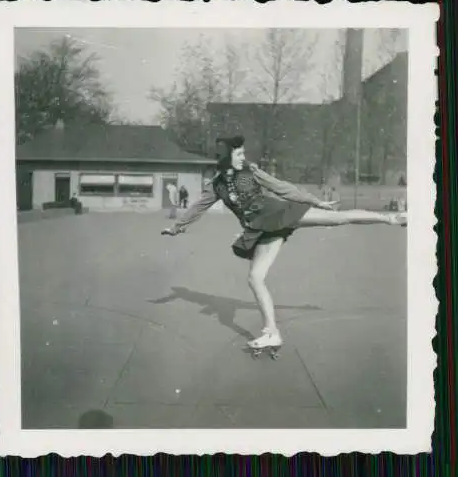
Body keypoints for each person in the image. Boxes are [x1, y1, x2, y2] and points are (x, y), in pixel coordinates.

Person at [162, 136, 407, 351]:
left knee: (338, 218)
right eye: (238, 153)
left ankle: (391, 218)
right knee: (255, 278)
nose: (243, 156)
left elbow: (283, 189)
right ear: (226, 156)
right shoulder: (216, 186)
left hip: (281, 214)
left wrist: (315, 201)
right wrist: (177, 227)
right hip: (262, 231)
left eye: (242, 153)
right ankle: (271, 332)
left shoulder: (250, 172)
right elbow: (198, 207)